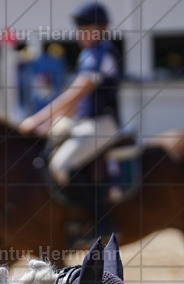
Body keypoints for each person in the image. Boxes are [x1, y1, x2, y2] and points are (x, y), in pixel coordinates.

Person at [18, 2, 121, 187]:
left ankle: (99, 215)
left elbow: (76, 94)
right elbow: (76, 104)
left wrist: (36, 120)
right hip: (85, 122)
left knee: (61, 165)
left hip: (102, 123)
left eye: (87, 28)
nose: (81, 34)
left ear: (102, 29)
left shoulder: (102, 54)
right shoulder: (87, 55)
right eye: (80, 29)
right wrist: (49, 123)